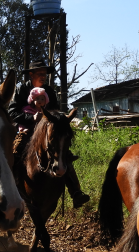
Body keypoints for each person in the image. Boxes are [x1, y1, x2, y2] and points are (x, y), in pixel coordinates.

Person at [9, 61, 90, 208]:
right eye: (40, 74)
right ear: (31, 74)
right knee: (14, 152)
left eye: (45, 74)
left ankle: (76, 192)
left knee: (64, 154)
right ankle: (10, 190)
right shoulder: (21, 89)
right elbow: (12, 112)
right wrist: (31, 118)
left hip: (47, 132)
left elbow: (56, 112)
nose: (44, 77)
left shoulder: (49, 91)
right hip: (26, 130)